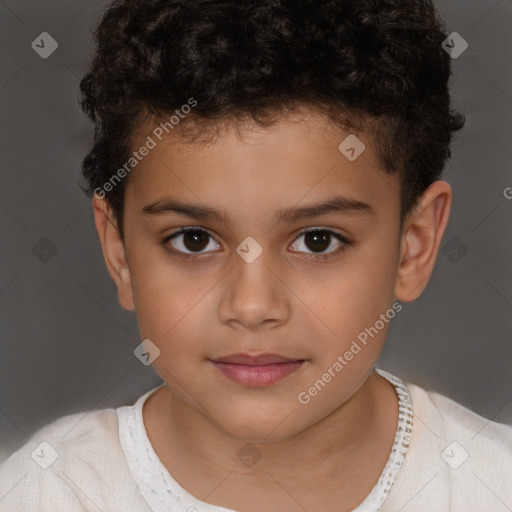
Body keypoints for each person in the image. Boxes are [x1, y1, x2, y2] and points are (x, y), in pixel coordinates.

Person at [1, 0, 511, 511]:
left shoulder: (491, 484)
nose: (251, 305)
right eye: (193, 240)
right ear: (120, 252)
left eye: (317, 240)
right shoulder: (46, 492)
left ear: (413, 247)